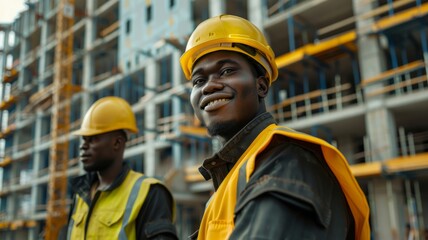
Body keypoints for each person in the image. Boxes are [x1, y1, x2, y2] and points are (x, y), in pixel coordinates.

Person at [180, 15, 370, 239]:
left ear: (261, 86)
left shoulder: (289, 164)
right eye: (198, 81)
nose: (209, 86)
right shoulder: (234, 179)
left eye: (227, 71)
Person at [66, 96, 178, 240]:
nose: (83, 146)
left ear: (117, 143)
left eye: (93, 139)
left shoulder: (150, 193)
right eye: (84, 139)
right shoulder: (80, 194)